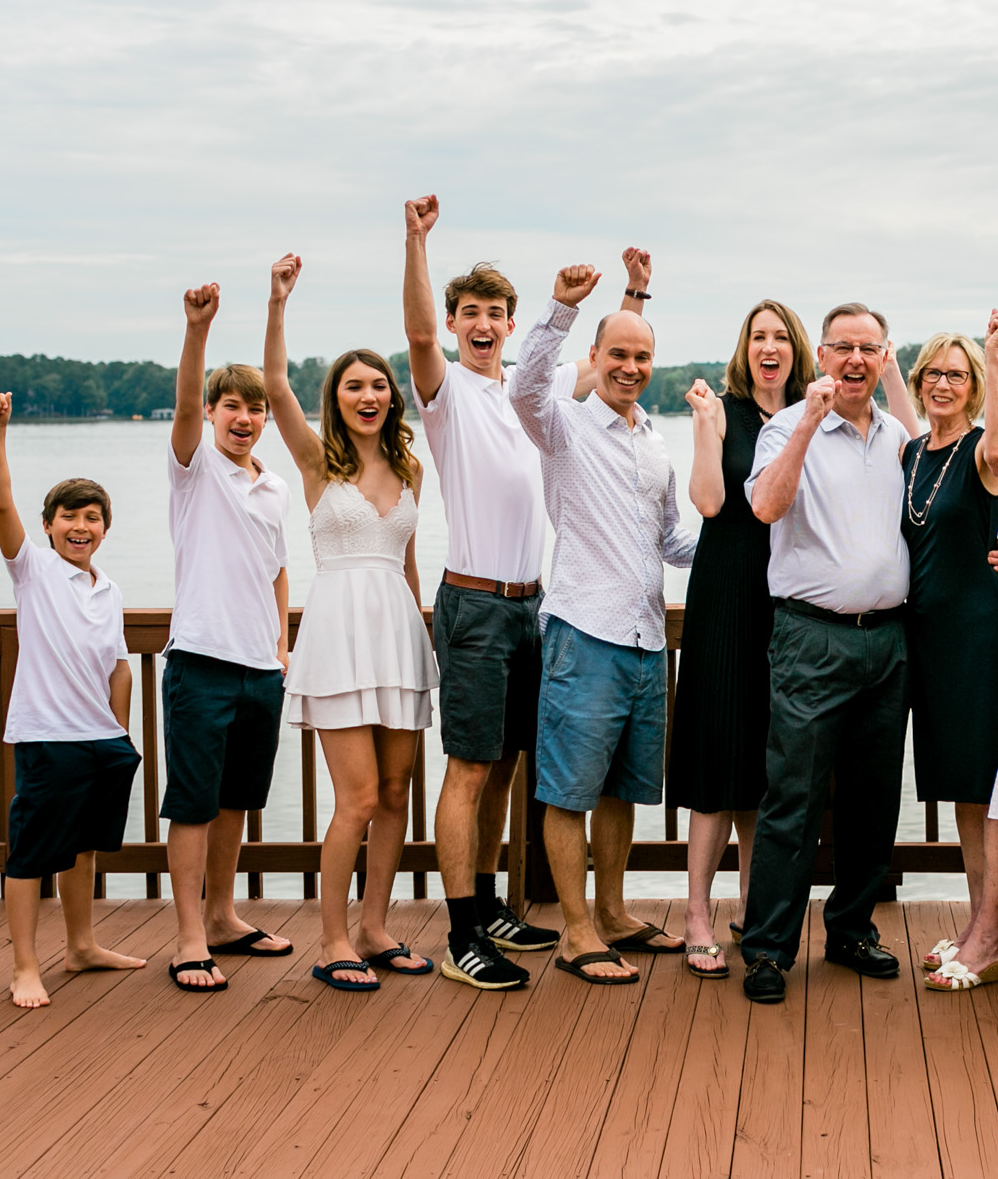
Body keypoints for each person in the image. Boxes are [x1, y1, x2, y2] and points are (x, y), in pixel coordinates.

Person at [401, 195, 653, 991]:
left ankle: (496, 902)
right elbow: (413, 334)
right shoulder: (444, 394)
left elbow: (615, 359)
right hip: (474, 601)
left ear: (511, 326)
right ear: (454, 322)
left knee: (507, 764)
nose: (482, 323)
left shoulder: (525, 391)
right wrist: (415, 240)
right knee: (469, 770)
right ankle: (464, 932)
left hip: (532, 606)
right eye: (469, 312)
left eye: (494, 313)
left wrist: (634, 293)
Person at [509, 261, 698, 986]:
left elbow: (672, 539)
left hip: (648, 643)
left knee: (623, 789)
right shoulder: (560, 425)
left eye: (641, 356)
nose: (629, 366)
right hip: (583, 637)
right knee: (567, 789)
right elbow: (525, 384)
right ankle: (577, 928)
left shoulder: (654, 440)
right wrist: (559, 309)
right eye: (616, 354)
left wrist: (752, 545)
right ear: (593, 358)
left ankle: (614, 912)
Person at [265, 254, 439, 991]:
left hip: (397, 635)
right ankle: (331, 936)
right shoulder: (315, 460)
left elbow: (404, 563)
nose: (367, 395)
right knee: (358, 798)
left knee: (398, 794)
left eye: (378, 385)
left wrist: (426, 636)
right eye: (353, 385)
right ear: (335, 397)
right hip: (338, 637)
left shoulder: (411, 466)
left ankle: (373, 926)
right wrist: (277, 303)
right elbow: (273, 385)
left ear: (392, 397)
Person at [739, 303, 915, 1005]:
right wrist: (808, 424)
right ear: (821, 353)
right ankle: (768, 948)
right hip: (812, 636)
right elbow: (765, 509)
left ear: (881, 357)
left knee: (874, 798)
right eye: (842, 346)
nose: (854, 359)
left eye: (867, 348)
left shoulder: (897, 434)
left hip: (888, 638)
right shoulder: (786, 427)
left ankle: (850, 928)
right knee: (795, 795)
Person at [0, 392, 147, 1008]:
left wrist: (121, 729)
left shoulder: (109, 589)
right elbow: (1, 503)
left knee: (83, 847)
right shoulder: (35, 571)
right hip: (48, 736)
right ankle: (25, 966)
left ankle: (81, 947)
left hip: (101, 739)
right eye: (69, 517)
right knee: (31, 852)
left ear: (105, 527)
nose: (81, 527)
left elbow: (120, 667)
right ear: (49, 525)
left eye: (92, 518)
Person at [668, 300, 815, 979]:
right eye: (759, 335)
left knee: (766, 765)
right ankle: (697, 912)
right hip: (726, 594)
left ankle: (758, 911)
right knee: (714, 765)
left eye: (781, 336)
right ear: (744, 347)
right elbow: (704, 501)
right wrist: (703, 425)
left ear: (796, 349)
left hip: (787, 602)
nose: (769, 346)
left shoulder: (809, 418)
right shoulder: (721, 409)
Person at [161, 284, 294, 992]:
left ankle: (222, 916)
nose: (243, 417)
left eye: (255, 407)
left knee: (237, 800)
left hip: (257, 668)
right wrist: (197, 330)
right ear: (213, 413)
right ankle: (187, 937)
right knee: (192, 803)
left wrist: (278, 646)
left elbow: (277, 567)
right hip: (201, 661)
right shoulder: (194, 467)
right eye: (232, 406)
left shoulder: (273, 487)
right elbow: (183, 401)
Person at [896, 313, 998, 992]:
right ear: (919, 383)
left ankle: (991, 935)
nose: (944, 383)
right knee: (963, 794)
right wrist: (885, 363)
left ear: (971, 387)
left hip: (974, 636)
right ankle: (981, 924)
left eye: (957, 374)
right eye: (933, 373)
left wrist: (996, 358)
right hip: (924, 638)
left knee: (986, 787)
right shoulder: (913, 452)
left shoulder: (980, 450)